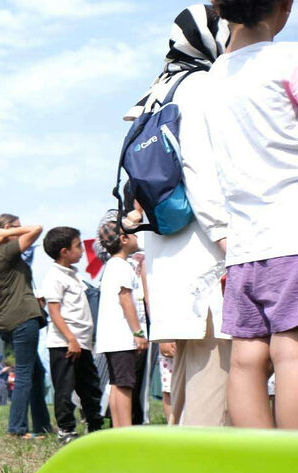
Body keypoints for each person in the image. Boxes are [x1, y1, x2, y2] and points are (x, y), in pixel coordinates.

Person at [129, 6, 232, 427]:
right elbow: (203, 174)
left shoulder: (157, 90)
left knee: (189, 386)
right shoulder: (203, 87)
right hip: (206, 255)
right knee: (216, 382)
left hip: (168, 256)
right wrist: (231, 242)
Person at [203, 0, 298, 429]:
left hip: (245, 245)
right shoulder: (289, 61)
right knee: (292, 351)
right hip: (292, 232)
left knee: (246, 357)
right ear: (284, 6)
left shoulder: (211, 79)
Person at [0, 215, 52, 438]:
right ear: (7, 229)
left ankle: (42, 425)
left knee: (37, 372)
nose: (20, 230)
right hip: (23, 319)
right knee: (26, 374)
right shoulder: (4, 252)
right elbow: (37, 228)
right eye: (16, 227)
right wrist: (8, 234)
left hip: (6, 322)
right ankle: (16, 428)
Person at [42, 226, 104, 442]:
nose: (81, 250)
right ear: (64, 251)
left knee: (90, 387)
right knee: (65, 390)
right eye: (78, 246)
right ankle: (66, 429)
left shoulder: (74, 275)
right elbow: (54, 311)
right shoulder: (54, 277)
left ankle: (95, 425)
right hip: (65, 344)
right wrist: (70, 338)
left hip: (82, 343)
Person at [94, 216, 148, 429]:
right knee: (126, 384)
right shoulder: (123, 266)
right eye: (133, 234)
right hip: (122, 336)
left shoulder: (111, 266)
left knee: (117, 383)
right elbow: (125, 299)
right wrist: (138, 332)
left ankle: (118, 428)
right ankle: (125, 431)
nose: (137, 237)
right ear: (124, 239)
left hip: (110, 337)